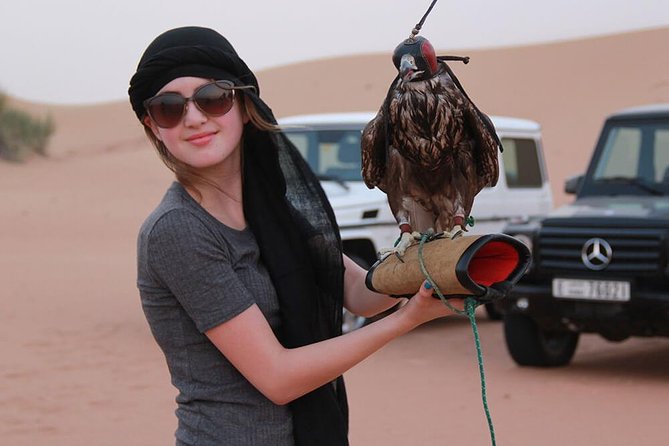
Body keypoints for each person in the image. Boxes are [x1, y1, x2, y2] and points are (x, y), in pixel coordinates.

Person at [128, 26, 463, 446]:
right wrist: (406, 321)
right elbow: (278, 377)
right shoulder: (178, 230)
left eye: (213, 98)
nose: (194, 118)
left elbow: (360, 293)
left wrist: (431, 258)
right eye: (169, 108)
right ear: (152, 125)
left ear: (244, 104)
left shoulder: (271, 210)